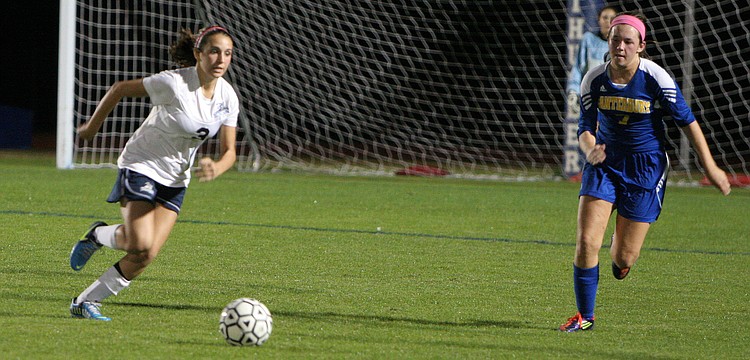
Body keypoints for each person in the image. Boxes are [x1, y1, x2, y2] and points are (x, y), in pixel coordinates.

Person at [559, 12, 731, 332]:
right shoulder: (594, 79)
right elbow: (584, 128)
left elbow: (688, 122)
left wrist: (712, 168)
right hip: (605, 165)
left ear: (641, 46)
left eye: (628, 41)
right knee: (585, 242)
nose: (620, 46)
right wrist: (588, 149)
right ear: (607, 43)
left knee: (624, 258)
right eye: (615, 40)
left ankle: (620, 246)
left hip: (645, 169)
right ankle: (585, 317)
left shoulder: (655, 78)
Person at [68, 25, 239, 321]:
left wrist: (217, 167)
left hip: (175, 180)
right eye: (213, 51)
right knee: (140, 243)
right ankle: (97, 234)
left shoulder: (228, 97)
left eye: (227, 53)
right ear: (198, 54)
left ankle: (86, 301)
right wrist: (92, 128)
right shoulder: (173, 84)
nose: (220, 59)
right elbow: (119, 89)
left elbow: (230, 152)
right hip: (142, 164)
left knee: (146, 254)